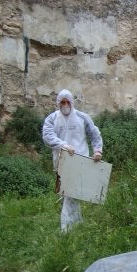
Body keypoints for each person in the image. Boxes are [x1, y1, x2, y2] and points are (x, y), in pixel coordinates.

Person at [42, 89, 103, 232]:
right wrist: (63, 145)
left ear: (71, 102)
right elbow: (47, 136)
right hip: (61, 161)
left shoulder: (82, 117)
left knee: (71, 192)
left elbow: (94, 134)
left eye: (67, 101)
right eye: (62, 102)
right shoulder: (52, 118)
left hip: (80, 160)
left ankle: (66, 227)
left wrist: (97, 150)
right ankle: (76, 223)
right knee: (67, 193)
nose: (65, 105)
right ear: (58, 103)